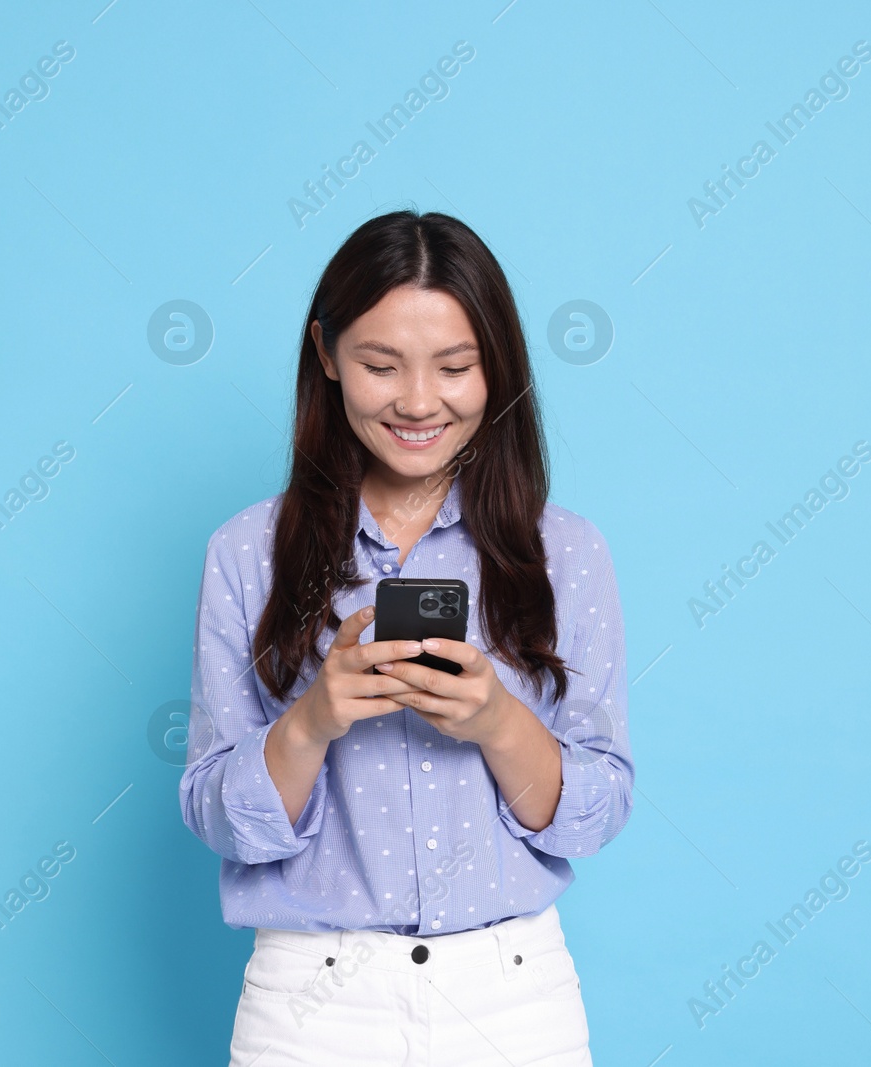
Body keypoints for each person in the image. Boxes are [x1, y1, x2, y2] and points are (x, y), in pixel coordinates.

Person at [179, 209, 632, 1066]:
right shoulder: (244, 551)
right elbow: (214, 812)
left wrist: (499, 721)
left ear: (496, 366)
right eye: (380, 365)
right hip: (310, 1006)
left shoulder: (565, 551)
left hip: (513, 998)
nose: (419, 401)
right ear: (326, 356)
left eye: (456, 367)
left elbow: (595, 809)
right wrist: (313, 720)